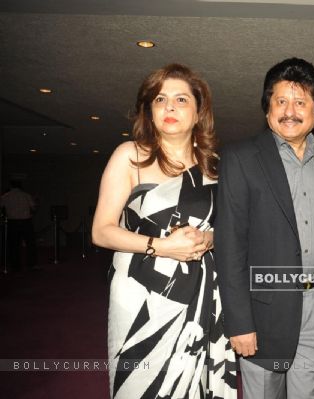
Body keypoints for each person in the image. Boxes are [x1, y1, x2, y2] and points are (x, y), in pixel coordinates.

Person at [92, 64, 236, 399]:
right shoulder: (130, 156)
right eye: (160, 99)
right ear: (150, 110)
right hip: (141, 292)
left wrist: (208, 238)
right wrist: (162, 247)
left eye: (181, 99)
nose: (170, 107)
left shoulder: (216, 166)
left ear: (199, 113)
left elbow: (226, 230)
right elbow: (101, 231)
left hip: (201, 293)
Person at [215, 57, 314, 399]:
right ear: (267, 109)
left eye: (301, 102)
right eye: (281, 101)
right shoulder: (241, 157)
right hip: (263, 311)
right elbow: (229, 247)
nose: (290, 110)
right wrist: (240, 322)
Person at [0, 180, 38, 272]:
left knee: (14, 244)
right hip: (26, 221)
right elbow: (33, 208)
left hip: (12, 222)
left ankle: (15, 265)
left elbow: (1, 208)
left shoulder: (5, 196)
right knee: (30, 243)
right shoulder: (26, 195)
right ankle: (31, 264)